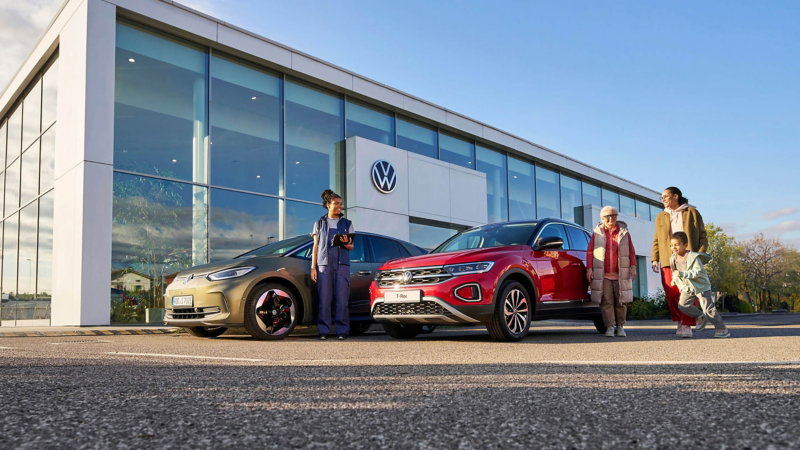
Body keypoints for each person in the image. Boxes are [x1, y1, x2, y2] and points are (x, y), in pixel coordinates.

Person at [651, 186, 707, 338]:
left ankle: (687, 324)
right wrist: (655, 258)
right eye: (661, 198)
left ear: (676, 196)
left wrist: (699, 256)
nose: (663, 200)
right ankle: (679, 320)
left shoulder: (692, 212)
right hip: (667, 259)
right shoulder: (661, 216)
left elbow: (703, 235)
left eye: (665, 197)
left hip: (688, 259)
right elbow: (657, 238)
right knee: (672, 292)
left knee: (688, 291)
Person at [310, 189, 354, 340]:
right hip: (324, 265)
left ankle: (342, 331)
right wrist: (313, 267)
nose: (339, 206)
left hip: (342, 265)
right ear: (328, 205)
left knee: (342, 300)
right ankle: (324, 331)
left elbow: (351, 246)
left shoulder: (347, 223)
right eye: (336, 204)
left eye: (340, 204)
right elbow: (315, 246)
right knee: (324, 299)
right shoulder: (319, 223)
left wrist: (346, 243)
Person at [587, 206, 637, 337]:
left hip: (621, 273)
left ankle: (620, 327)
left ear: (617, 216)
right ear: (602, 218)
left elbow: (631, 251)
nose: (610, 219)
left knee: (621, 301)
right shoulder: (597, 234)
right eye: (607, 216)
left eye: (613, 215)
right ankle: (610, 327)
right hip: (603, 274)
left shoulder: (624, 233)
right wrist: (589, 269)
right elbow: (590, 252)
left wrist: (634, 267)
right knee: (606, 301)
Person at [669, 232, 730, 338]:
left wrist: (682, 274)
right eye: (672, 245)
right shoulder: (673, 258)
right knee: (683, 305)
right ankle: (701, 316)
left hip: (701, 286)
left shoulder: (692, 257)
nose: (674, 247)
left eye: (677, 244)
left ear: (685, 245)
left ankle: (722, 328)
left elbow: (699, 272)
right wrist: (674, 279)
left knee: (708, 309)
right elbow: (675, 271)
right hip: (688, 287)